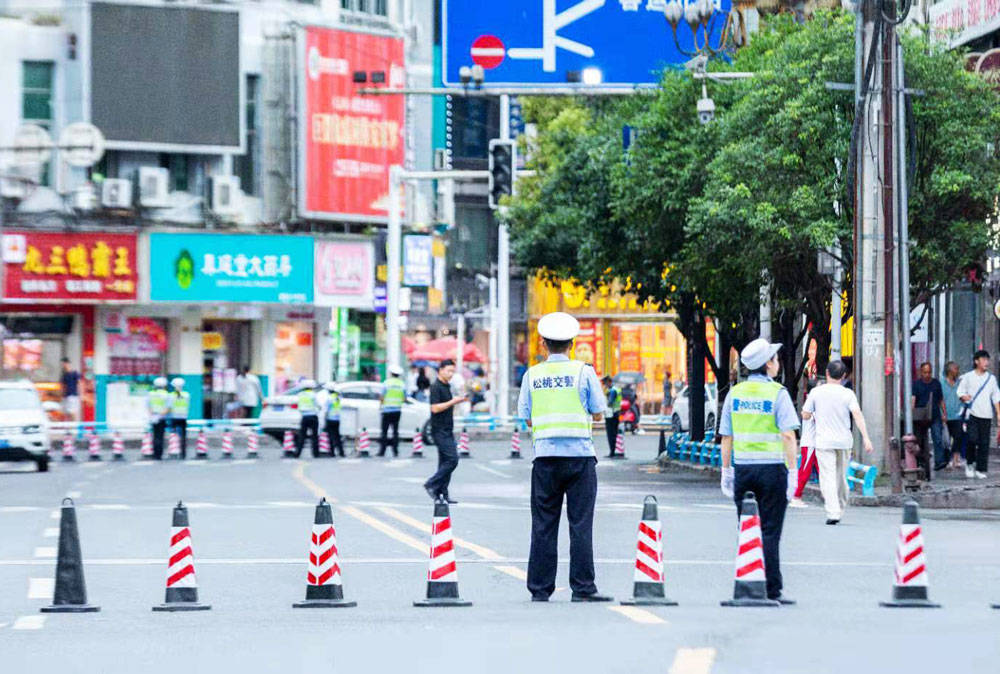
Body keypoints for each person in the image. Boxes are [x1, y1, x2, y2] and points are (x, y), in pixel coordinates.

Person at [517, 312, 612, 603]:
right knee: (580, 524)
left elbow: (527, 419)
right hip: (580, 458)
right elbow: (598, 412)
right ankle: (583, 588)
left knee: (543, 524)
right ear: (572, 343)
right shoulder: (584, 372)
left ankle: (540, 589)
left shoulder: (532, 375)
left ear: (544, 343)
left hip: (544, 459)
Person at [719, 337, 798, 604]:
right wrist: (794, 472)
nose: (777, 363)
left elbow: (726, 438)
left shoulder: (735, 394)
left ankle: (749, 582)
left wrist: (726, 471)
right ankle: (772, 589)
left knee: (748, 529)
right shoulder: (778, 393)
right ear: (767, 364)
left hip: (743, 471)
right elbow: (788, 436)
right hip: (773, 471)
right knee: (770, 531)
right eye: (774, 359)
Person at [801, 360, 875, 524]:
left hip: (824, 441)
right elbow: (857, 414)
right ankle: (840, 506)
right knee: (841, 476)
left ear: (827, 373)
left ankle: (833, 511)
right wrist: (866, 438)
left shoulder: (816, 392)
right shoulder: (848, 394)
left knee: (827, 476)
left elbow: (805, 414)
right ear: (843, 376)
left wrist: (813, 416)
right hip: (844, 441)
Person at [423, 359, 467, 503]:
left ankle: (442, 494)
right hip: (439, 430)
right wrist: (453, 402)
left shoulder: (447, 386)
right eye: (448, 371)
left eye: (452, 371)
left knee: (444, 462)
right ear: (440, 370)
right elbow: (434, 408)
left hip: (448, 428)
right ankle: (432, 484)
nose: (450, 374)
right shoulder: (436, 387)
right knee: (452, 459)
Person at [957, 350, 1000, 479]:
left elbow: (996, 397)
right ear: (976, 361)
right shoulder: (968, 377)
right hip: (972, 414)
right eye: (983, 359)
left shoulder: (991, 379)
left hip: (986, 415)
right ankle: (969, 463)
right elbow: (960, 392)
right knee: (972, 439)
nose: (986, 362)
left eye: (987, 360)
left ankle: (981, 468)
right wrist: (964, 397)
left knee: (984, 442)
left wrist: (998, 413)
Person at [911, 362, 946, 475]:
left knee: (938, 437)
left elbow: (941, 400)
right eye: (925, 372)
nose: (927, 374)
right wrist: (911, 412)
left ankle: (939, 461)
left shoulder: (936, 383)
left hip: (935, 415)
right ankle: (921, 461)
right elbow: (913, 399)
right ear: (921, 372)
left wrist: (944, 413)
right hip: (920, 415)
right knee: (919, 439)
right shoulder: (916, 384)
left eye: (929, 372)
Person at [788, 412, 816, 510]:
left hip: (815, 443)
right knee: (805, 470)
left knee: (822, 471)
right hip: (810, 443)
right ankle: (796, 496)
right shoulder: (812, 408)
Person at [941, 361, 965, 469]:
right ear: (950, 371)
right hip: (946, 416)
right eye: (956, 369)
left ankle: (956, 459)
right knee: (946, 439)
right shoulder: (942, 383)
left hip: (957, 415)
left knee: (958, 437)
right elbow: (939, 400)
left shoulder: (960, 383)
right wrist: (942, 414)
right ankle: (947, 459)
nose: (958, 371)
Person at [378, 366, 406, 457]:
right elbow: (404, 398)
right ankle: (395, 451)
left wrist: (381, 405)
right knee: (395, 431)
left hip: (386, 410)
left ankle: (382, 451)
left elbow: (382, 396)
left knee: (384, 431)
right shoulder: (402, 384)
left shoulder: (386, 383)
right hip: (397, 410)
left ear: (391, 374)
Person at [295, 380, 320, 458]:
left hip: (304, 417)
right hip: (313, 416)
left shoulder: (300, 395)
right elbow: (318, 405)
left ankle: (298, 453)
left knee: (302, 436)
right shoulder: (314, 394)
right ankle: (315, 454)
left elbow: (298, 404)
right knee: (314, 436)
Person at [148, 377, 171, 460]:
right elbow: (168, 408)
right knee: (160, 436)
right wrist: (160, 415)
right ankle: (159, 454)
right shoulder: (167, 394)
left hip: (153, 417)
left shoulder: (150, 394)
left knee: (154, 436)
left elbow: (149, 407)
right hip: (162, 418)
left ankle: (155, 454)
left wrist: (153, 415)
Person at [168, 377, 191, 459]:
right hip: (183, 417)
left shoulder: (171, 395)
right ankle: (183, 454)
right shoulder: (187, 395)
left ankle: (173, 452)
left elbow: (169, 406)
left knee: (173, 435)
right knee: (183, 437)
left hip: (174, 417)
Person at [322, 382, 345, 457]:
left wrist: (324, 420)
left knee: (331, 437)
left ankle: (332, 452)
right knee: (337, 436)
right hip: (337, 419)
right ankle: (341, 452)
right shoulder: (338, 397)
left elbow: (326, 410)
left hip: (330, 419)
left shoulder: (329, 398)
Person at [602, 376, 621, 458]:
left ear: (609, 382)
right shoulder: (615, 389)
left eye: (605, 383)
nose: (604, 385)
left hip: (611, 415)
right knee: (613, 434)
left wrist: (604, 402)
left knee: (611, 434)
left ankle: (612, 452)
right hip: (615, 414)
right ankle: (612, 451)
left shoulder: (612, 391)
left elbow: (610, 402)